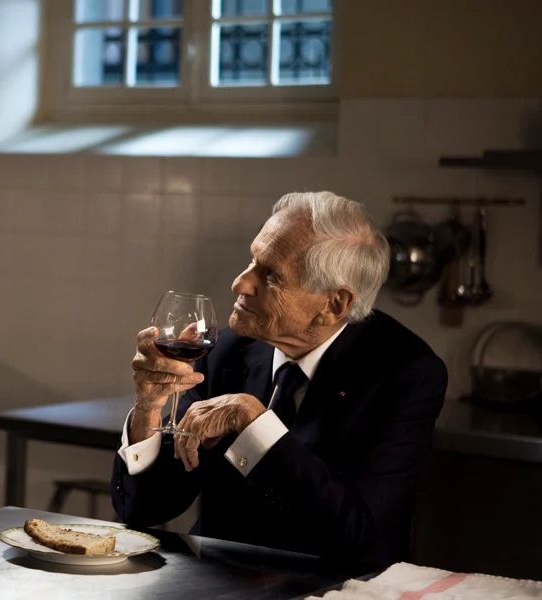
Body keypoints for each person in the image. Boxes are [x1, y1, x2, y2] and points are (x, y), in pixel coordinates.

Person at [112, 191, 448, 572]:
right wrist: (148, 411)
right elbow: (145, 509)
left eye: (270, 275)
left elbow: (361, 538)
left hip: (332, 588)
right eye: (252, 261)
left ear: (334, 304)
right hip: (216, 579)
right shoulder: (227, 351)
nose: (240, 283)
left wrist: (255, 425)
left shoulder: (406, 373)